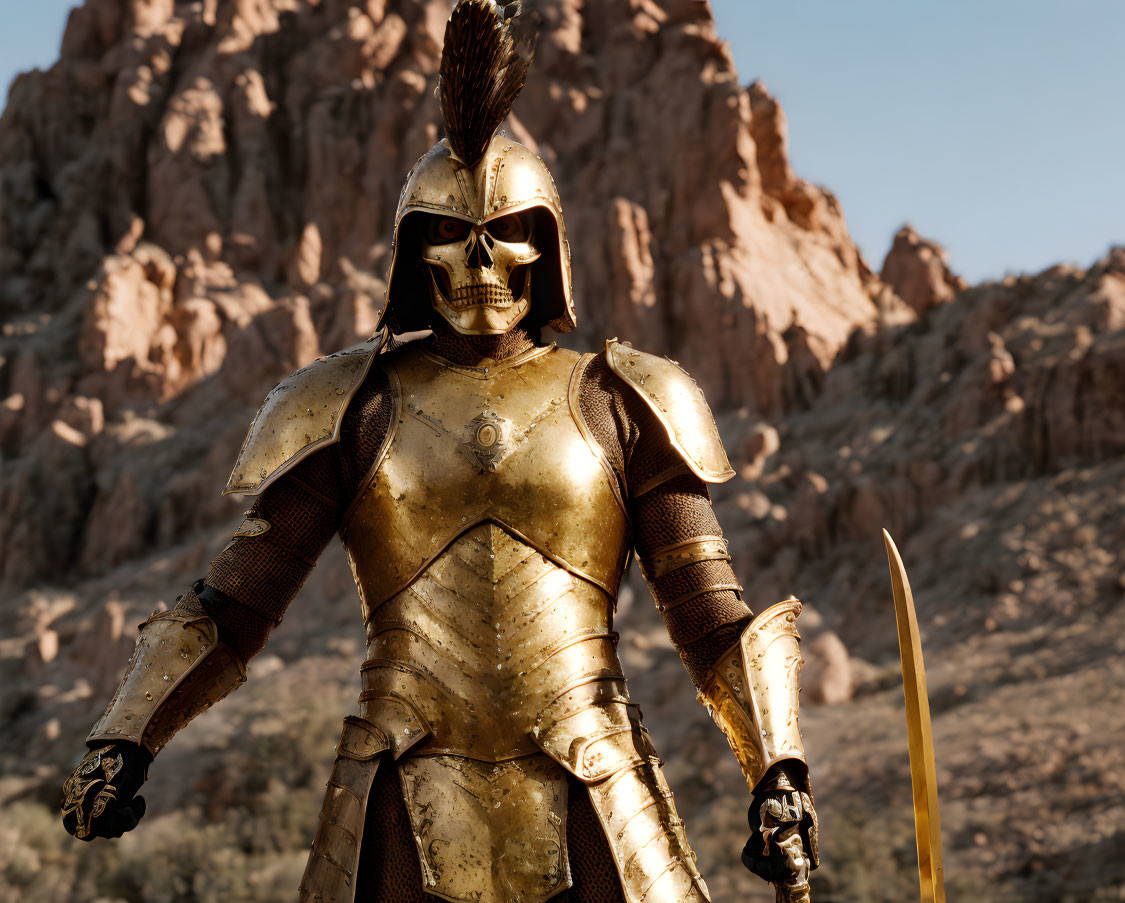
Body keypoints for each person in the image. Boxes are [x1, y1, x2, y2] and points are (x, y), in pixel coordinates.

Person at [61, 2, 819, 900]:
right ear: (412, 249)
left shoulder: (624, 399)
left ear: (545, 242)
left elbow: (712, 621)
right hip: (395, 790)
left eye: (505, 232)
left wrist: (778, 770)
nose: (480, 261)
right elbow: (234, 604)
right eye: (450, 234)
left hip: (596, 790)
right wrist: (124, 738)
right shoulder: (351, 401)